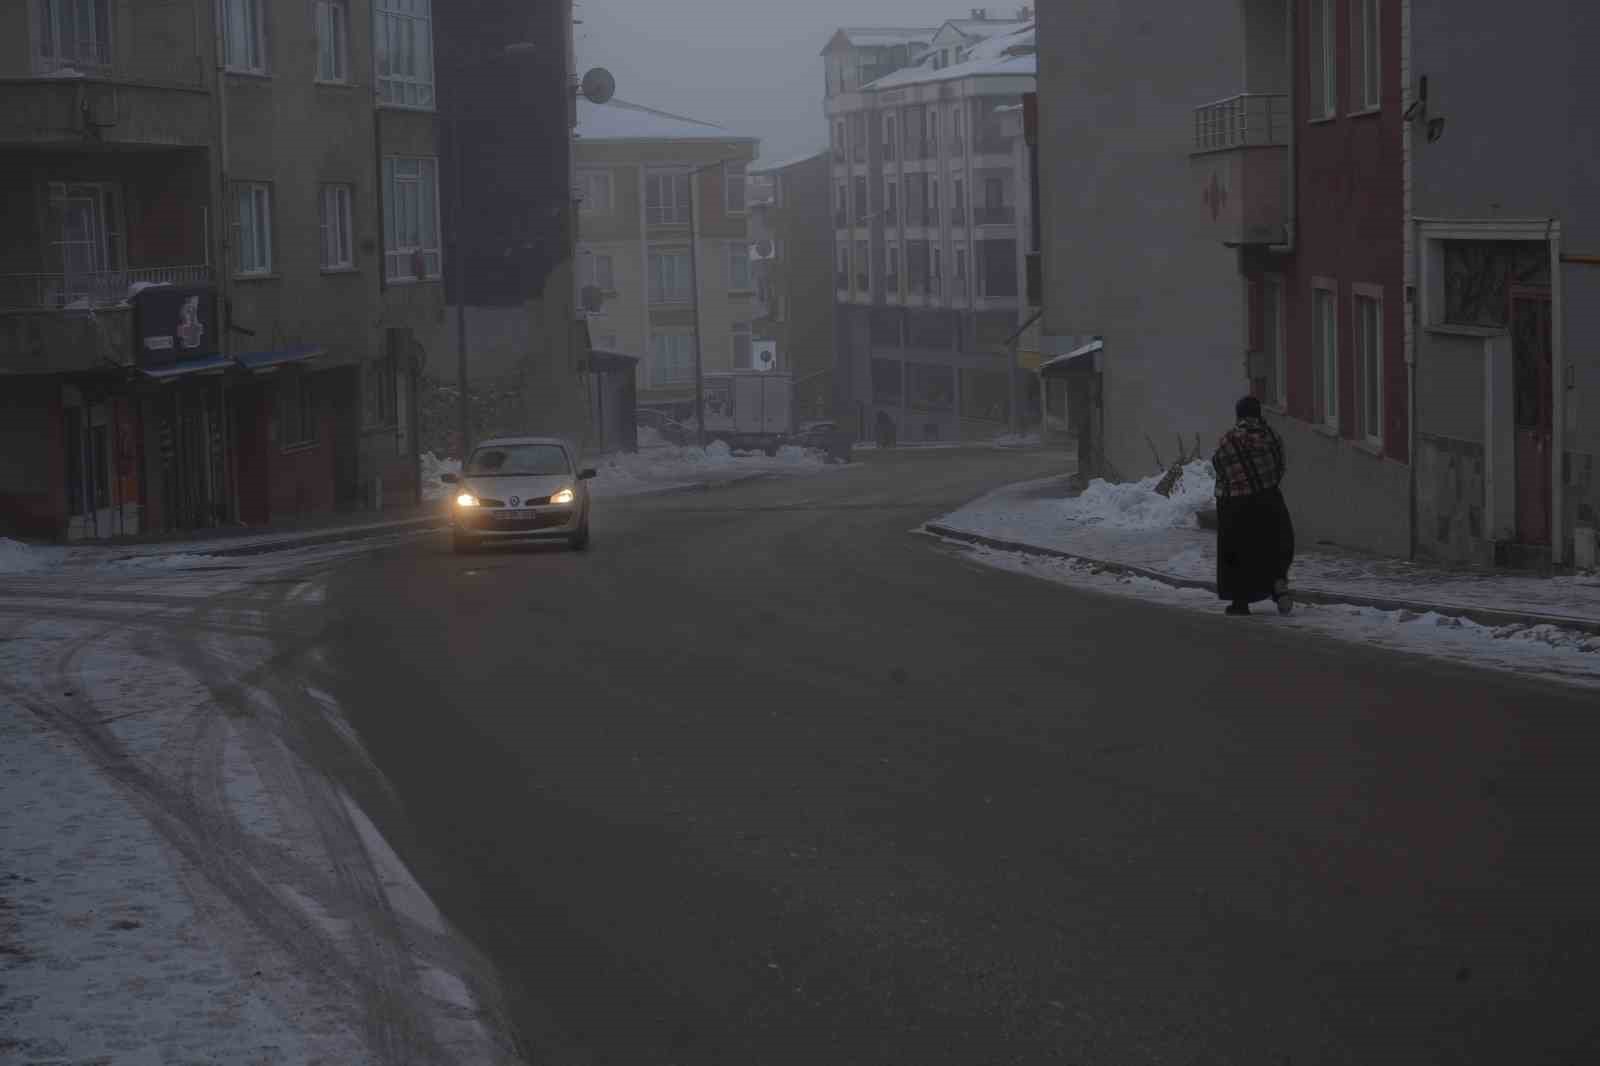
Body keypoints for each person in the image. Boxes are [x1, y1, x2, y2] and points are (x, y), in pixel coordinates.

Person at [1211, 395, 1295, 616]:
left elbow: (1220, 466)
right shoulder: (1273, 437)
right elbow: (1279, 466)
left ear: (1239, 414)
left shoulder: (1229, 440)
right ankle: (1278, 582)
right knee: (1272, 545)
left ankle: (1240, 602)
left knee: (1239, 552)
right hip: (1269, 499)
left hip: (1237, 505)